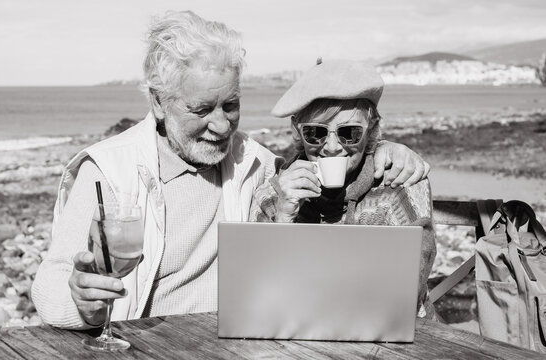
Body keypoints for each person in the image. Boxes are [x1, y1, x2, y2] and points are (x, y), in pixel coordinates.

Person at [32, 11, 432, 329]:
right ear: (159, 102)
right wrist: (80, 303)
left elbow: (328, 160)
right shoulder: (109, 172)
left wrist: (386, 148)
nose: (222, 125)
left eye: (231, 105)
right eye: (202, 109)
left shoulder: (253, 162)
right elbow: (50, 284)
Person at [250, 59, 437, 318]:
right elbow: (255, 289)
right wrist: (283, 218)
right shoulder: (275, 193)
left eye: (349, 133)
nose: (332, 147)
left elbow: (411, 281)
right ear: (297, 131)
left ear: (371, 130)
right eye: (315, 132)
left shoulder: (399, 179)